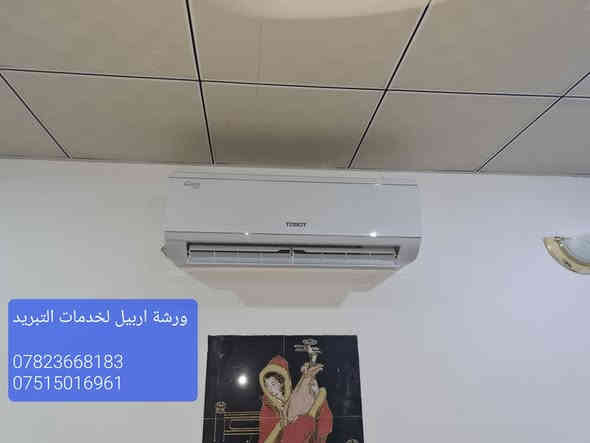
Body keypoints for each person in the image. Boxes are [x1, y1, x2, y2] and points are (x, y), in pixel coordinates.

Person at [258, 355, 333, 443]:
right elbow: (265, 439)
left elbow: (318, 417)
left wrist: (316, 393)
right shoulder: (267, 408)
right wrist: (280, 426)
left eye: (273, 384)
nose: (270, 389)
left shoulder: (294, 397)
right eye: (267, 386)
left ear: (281, 383)